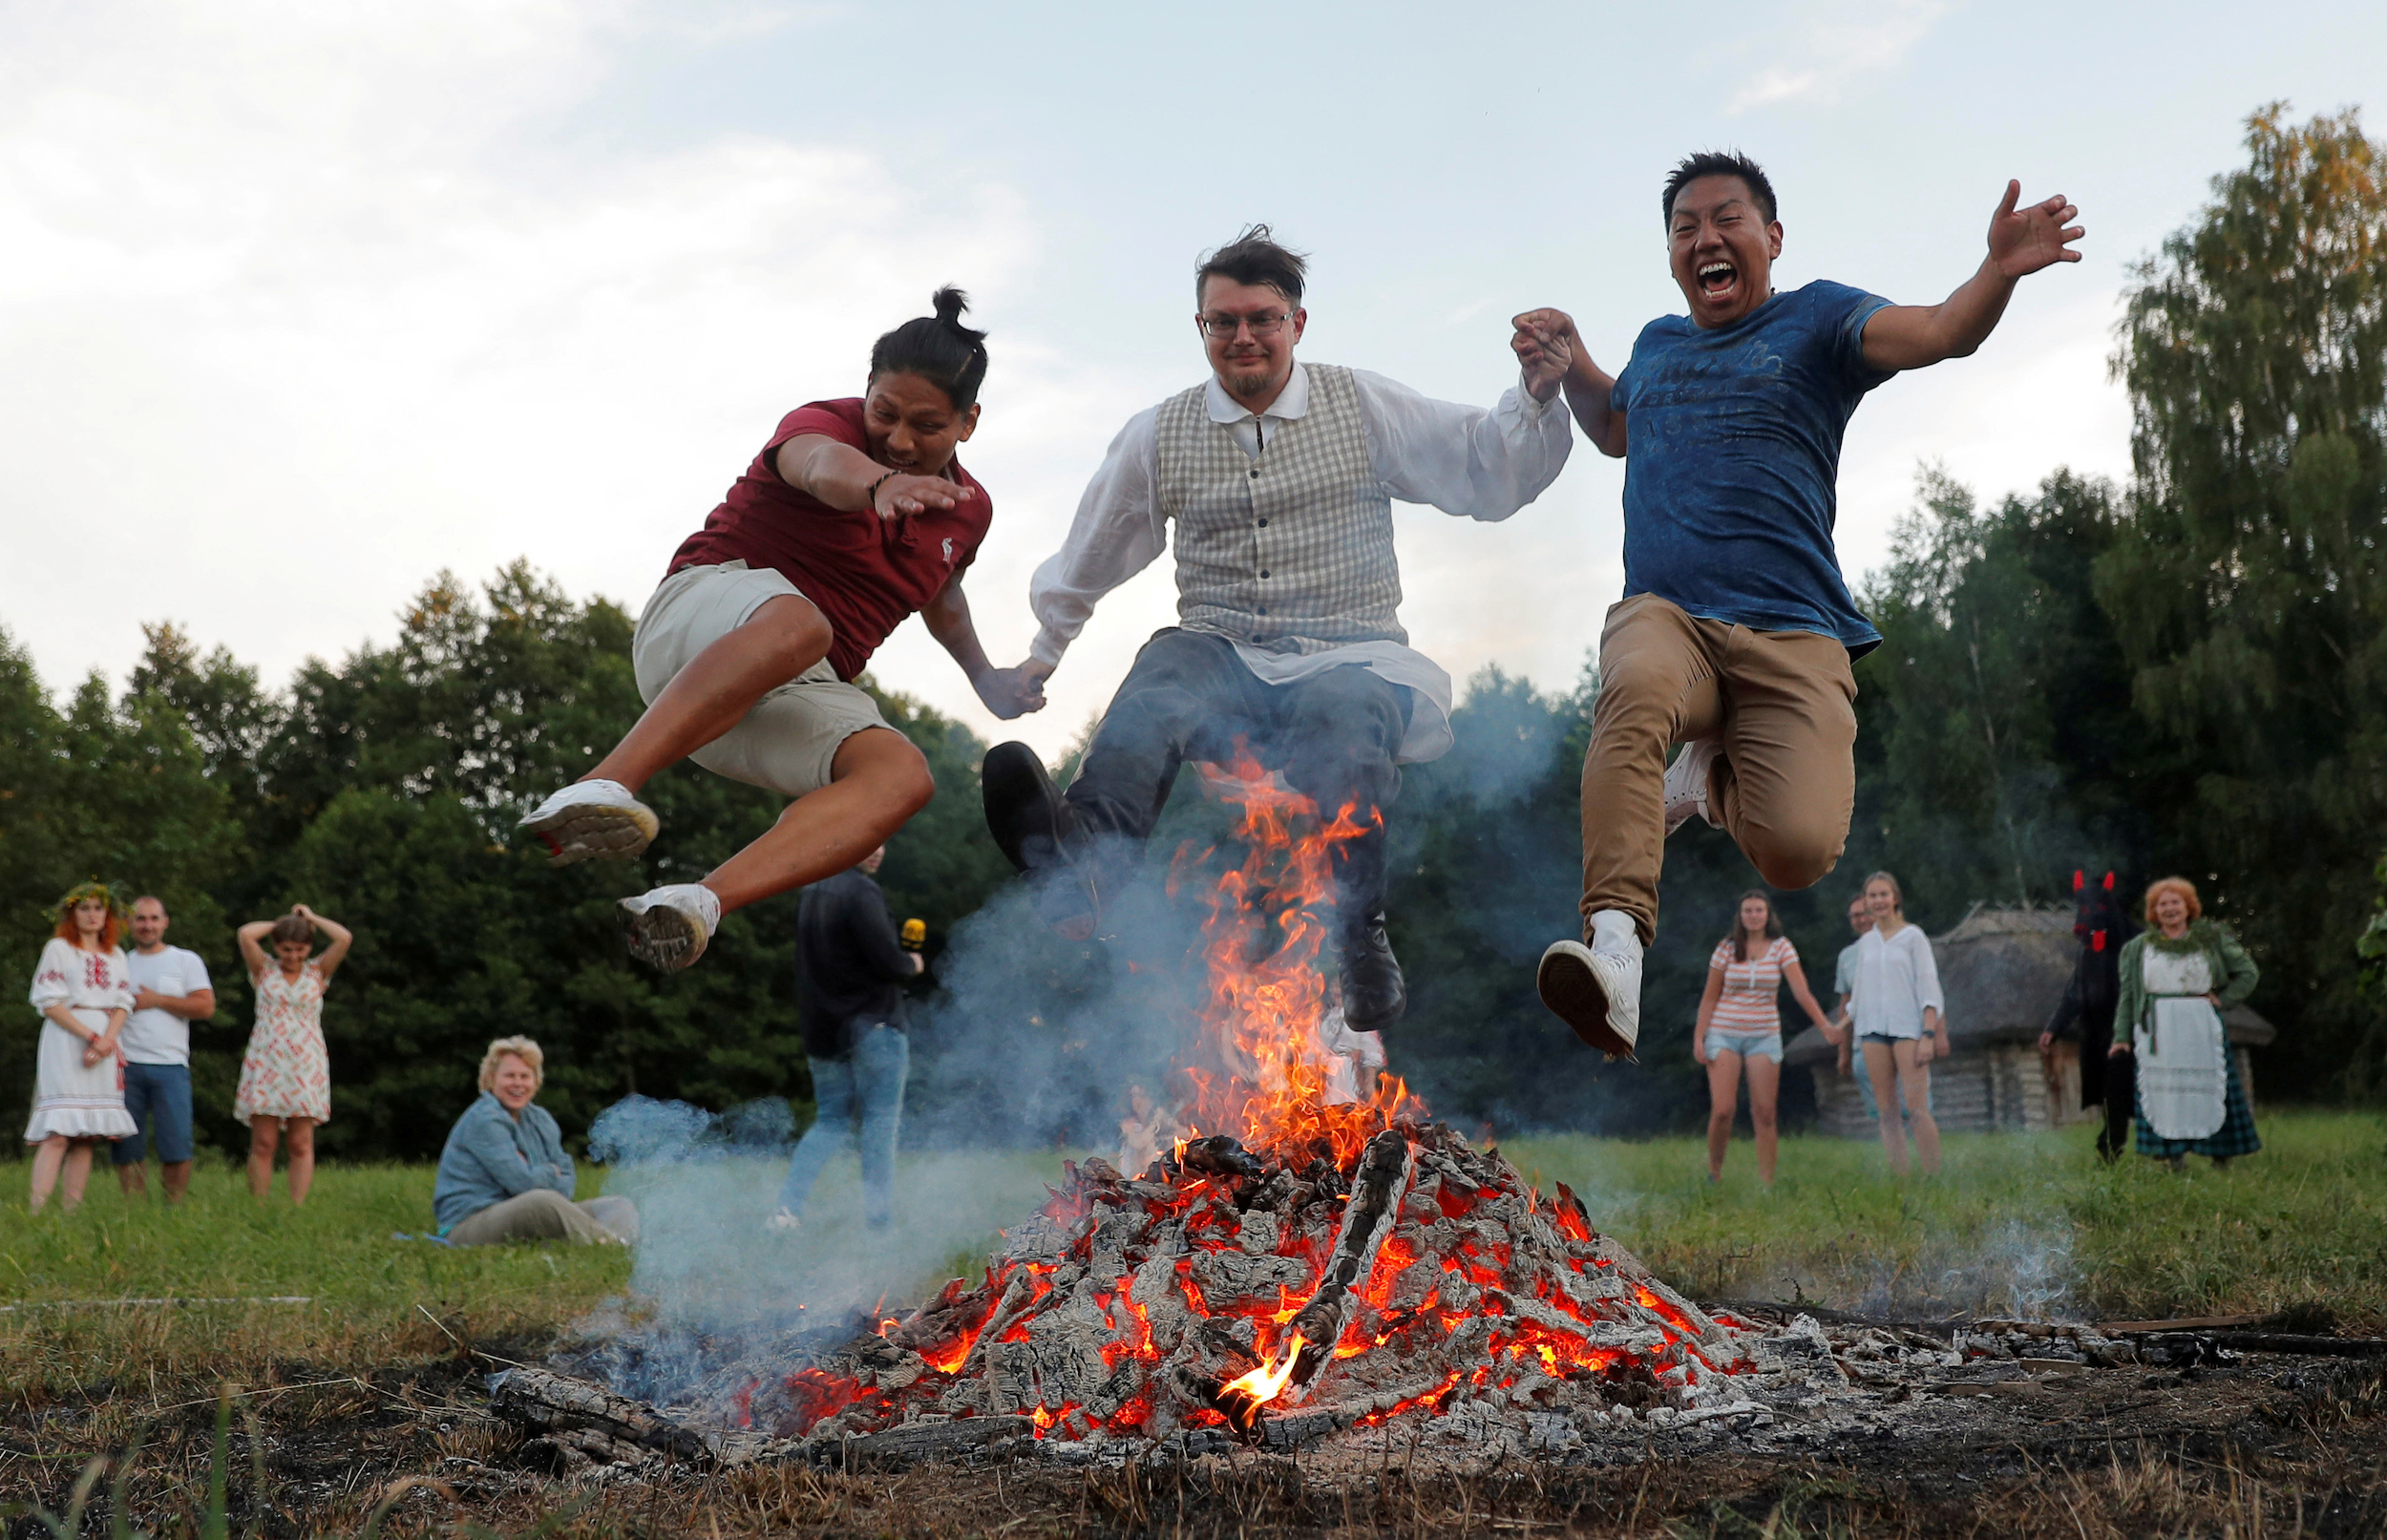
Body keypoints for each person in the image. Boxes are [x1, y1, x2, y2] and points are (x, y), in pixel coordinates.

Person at [1518, 152, 2084, 1058]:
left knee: (1799, 848)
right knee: (1632, 690)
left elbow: (1941, 330)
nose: (1704, 238)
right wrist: (1574, 360)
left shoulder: (1819, 318)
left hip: (1793, 632)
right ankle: (1615, 952)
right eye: (1684, 227)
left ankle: (1703, 781)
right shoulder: (1658, 344)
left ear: (1771, 237)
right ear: (1670, 252)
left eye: (1726, 219)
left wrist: (1996, 273)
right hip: (1669, 616)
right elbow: (1618, 429)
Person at [979, 226, 1572, 1031]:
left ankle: (1360, 935)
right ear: (1201, 330)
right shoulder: (1161, 432)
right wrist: (1041, 658)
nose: (1243, 336)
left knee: (1345, 711)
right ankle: (1085, 865)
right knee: (1163, 669)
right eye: (1222, 322)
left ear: (1297, 323)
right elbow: (1094, 548)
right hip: (1224, 660)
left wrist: (1534, 396)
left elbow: (1480, 464)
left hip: (1347, 650)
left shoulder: (1359, 404)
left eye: (1261, 318)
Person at [516, 291, 1025, 972]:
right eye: (885, 413)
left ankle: (698, 902)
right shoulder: (822, 425)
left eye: (928, 425)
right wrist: (878, 486)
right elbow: (819, 466)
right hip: (703, 614)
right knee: (801, 622)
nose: (899, 440)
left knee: (902, 775)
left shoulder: (970, 510)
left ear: (969, 423)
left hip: (778, 687)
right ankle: (605, 784)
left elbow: (945, 596)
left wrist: (985, 676)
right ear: (865, 393)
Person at [769, 844, 920, 1232]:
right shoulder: (861, 892)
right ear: (848, 838)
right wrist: (911, 963)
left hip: (823, 1029)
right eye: (869, 841)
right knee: (880, 1125)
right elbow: (889, 962)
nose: (878, 850)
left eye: (884, 841)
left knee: (830, 1121)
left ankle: (786, 1211)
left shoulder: (812, 889)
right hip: (876, 1029)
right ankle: (879, 1222)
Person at [2115, 876, 2261, 1171]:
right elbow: (2129, 994)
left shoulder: (2211, 939)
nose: (2169, 909)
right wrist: (2121, 1036)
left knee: (2210, 1088)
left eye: (2175, 902)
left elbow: (2248, 972)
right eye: (2162, 904)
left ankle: (2221, 1155)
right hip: (2158, 1028)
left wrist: (2224, 999)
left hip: (2200, 1024)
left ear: (2188, 906)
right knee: (2167, 1093)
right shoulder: (2138, 948)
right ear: (2154, 912)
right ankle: (2172, 1157)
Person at [434, 1037, 637, 1245]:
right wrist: (551, 1172)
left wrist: (536, 1174)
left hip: (526, 1212)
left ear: (535, 1081)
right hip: (469, 1224)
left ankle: (619, 1244)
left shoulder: (540, 1119)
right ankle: (611, 1245)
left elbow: (567, 1183)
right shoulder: (484, 1119)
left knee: (617, 1205)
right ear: (491, 1079)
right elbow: (522, 1185)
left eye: (525, 1076)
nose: (518, 1084)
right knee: (541, 1202)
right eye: (509, 1076)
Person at [1695, 890, 1834, 1185]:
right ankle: (1714, 1172)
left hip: (1764, 1035)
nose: (1754, 916)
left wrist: (1824, 1026)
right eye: (1748, 911)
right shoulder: (1727, 947)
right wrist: (1699, 1037)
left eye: (1759, 910)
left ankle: (1766, 1182)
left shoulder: (1782, 947)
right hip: (1724, 1032)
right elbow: (1709, 996)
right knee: (1723, 1109)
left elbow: (1801, 991)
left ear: (1768, 915)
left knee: (1766, 1112)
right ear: (1740, 916)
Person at [25, 884, 137, 1213]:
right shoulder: (59, 948)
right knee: (58, 1131)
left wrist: (106, 1042)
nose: (92, 915)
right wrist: (90, 1037)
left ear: (107, 915)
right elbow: (49, 1002)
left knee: (86, 1134)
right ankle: (37, 1210)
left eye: (98, 909)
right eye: (85, 908)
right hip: (66, 1040)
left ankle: (71, 1212)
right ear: (73, 914)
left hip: (105, 1042)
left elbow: (122, 1003)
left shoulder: (115, 954)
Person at [233, 905, 351, 1206]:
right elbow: (246, 933)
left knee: (300, 1141)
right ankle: (259, 1205)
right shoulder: (264, 969)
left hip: (305, 1064)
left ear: (309, 947)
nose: (293, 956)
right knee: (264, 1141)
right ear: (276, 946)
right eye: (286, 949)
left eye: (300, 949)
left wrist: (311, 919)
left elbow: (344, 938)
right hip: (267, 1060)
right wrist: (281, 922)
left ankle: (297, 1205)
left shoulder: (318, 972)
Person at [113, 896, 215, 1204]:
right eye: (140, 919)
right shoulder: (118, 961)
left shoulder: (185, 960)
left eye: (154, 919)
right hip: (124, 1064)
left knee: (176, 1142)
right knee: (127, 1143)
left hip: (171, 1065)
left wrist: (158, 1000)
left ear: (165, 922)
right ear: (129, 924)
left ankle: (174, 1207)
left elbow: (205, 1006)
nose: (147, 925)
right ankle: (135, 1209)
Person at [1845, 873, 1946, 1176]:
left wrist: (1928, 1033)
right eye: (1872, 896)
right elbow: (1859, 994)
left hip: (1908, 1030)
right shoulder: (1866, 943)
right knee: (1886, 1113)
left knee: (1916, 1110)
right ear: (1866, 902)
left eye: (1883, 894)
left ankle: (1933, 1177)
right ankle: (1900, 1180)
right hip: (1872, 1031)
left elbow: (1929, 988)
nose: (1878, 901)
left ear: (1895, 898)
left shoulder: (1913, 937)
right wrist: (1840, 1026)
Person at [2039, 870, 2139, 1162]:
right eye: (2084, 910)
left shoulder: (2133, 943)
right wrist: (2054, 1027)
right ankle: (2111, 1149)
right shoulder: (2087, 951)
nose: (2091, 918)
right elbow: (2076, 991)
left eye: (2097, 909)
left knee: (2122, 1089)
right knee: (2109, 1093)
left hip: (2130, 1031)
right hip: (2096, 1032)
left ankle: (2113, 1146)